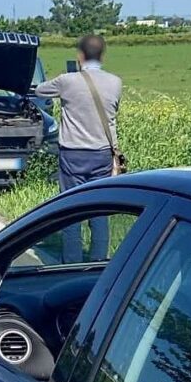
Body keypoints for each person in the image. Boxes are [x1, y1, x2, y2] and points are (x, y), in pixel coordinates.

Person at [34, 34, 123, 262]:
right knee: (99, 212)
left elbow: (40, 91)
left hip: (72, 154)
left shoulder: (67, 81)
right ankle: (98, 263)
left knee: (71, 209)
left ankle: (71, 264)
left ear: (79, 56)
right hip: (102, 154)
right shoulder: (115, 82)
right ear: (102, 55)